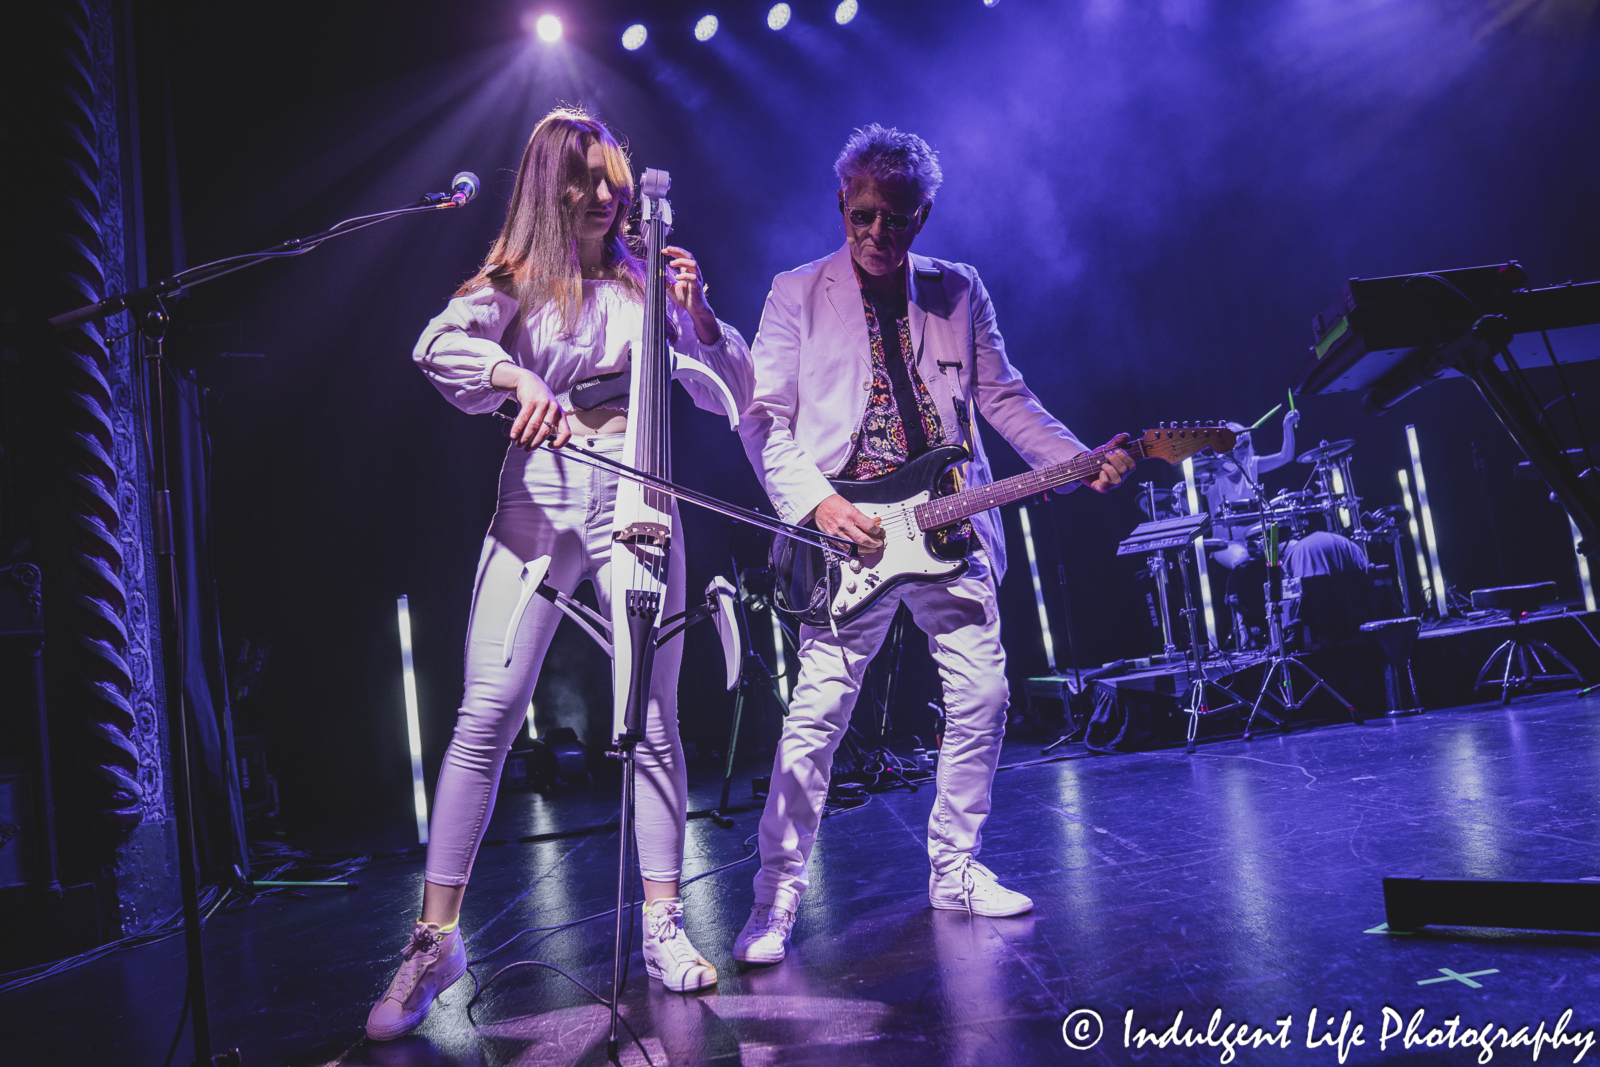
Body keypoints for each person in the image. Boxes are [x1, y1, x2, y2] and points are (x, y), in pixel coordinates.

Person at [367, 108, 751, 1041]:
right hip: (537, 491)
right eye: (584, 178)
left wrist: (697, 316)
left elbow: (733, 387)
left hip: (637, 493)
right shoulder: (517, 279)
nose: (606, 193)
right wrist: (516, 380)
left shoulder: (644, 279)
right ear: (552, 187)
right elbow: (438, 344)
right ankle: (435, 938)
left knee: (648, 710)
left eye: (612, 176)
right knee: (486, 710)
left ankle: (661, 918)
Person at [732, 124, 1134, 963]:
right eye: (863, 215)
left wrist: (1075, 459)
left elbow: (1005, 396)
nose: (878, 234)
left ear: (925, 215)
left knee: (984, 696)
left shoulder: (960, 289)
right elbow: (764, 419)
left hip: (950, 524)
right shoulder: (794, 292)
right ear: (842, 205)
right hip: (851, 535)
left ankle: (954, 868)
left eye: (898, 217)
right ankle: (774, 898)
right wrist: (818, 505)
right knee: (815, 720)